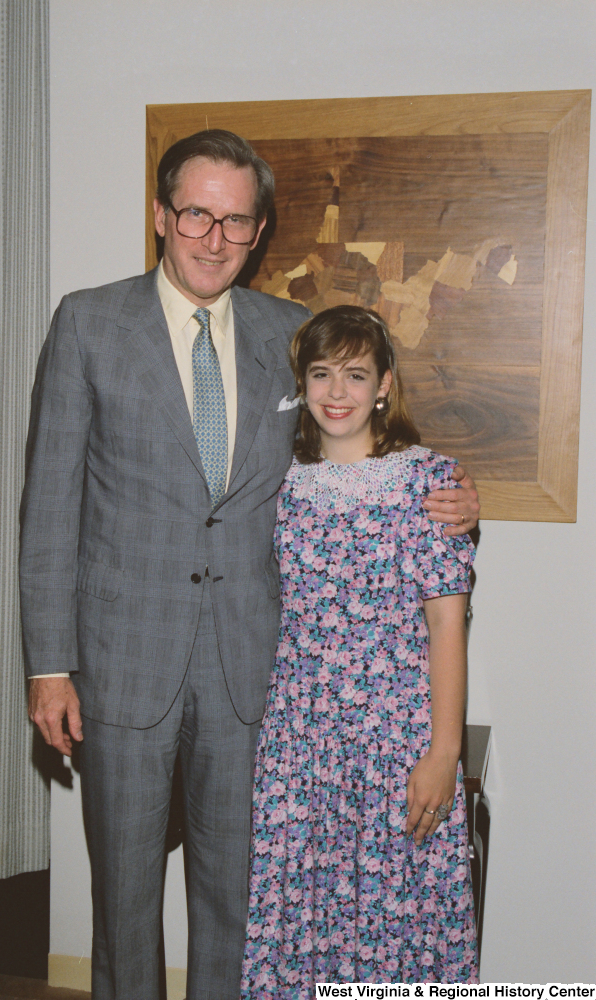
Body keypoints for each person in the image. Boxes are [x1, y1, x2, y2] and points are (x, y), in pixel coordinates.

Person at [21, 131, 480, 1000]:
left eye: (236, 220)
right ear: (162, 215)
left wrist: (455, 498)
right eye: (196, 212)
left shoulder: (285, 334)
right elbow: (48, 505)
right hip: (121, 666)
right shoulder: (88, 321)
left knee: (243, 902)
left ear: (259, 230)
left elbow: (359, 440)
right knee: (122, 898)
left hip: (256, 673)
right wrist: (49, 664)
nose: (213, 237)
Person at [241, 305, 478, 995]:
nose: (335, 393)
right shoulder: (279, 482)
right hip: (299, 739)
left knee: (392, 921)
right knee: (300, 921)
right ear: (301, 383)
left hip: (392, 740)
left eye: (353, 374)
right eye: (320, 374)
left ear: (383, 385)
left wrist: (442, 753)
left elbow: (446, 626)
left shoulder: (428, 482)